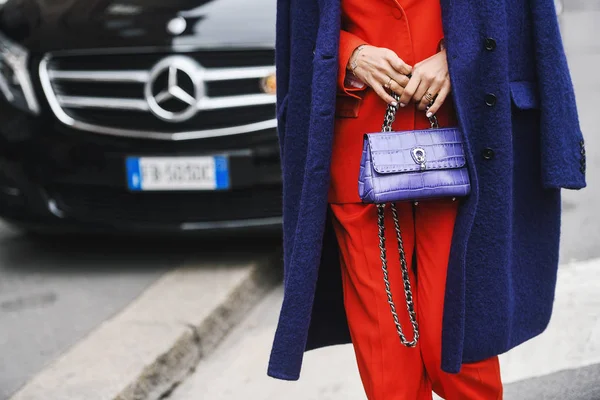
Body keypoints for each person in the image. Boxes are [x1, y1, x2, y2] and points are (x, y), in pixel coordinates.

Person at [267, 0, 586, 399]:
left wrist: (459, 54)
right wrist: (351, 55)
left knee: (457, 354)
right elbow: (300, 33)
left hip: (463, 153)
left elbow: (517, 16)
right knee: (389, 371)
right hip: (358, 159)